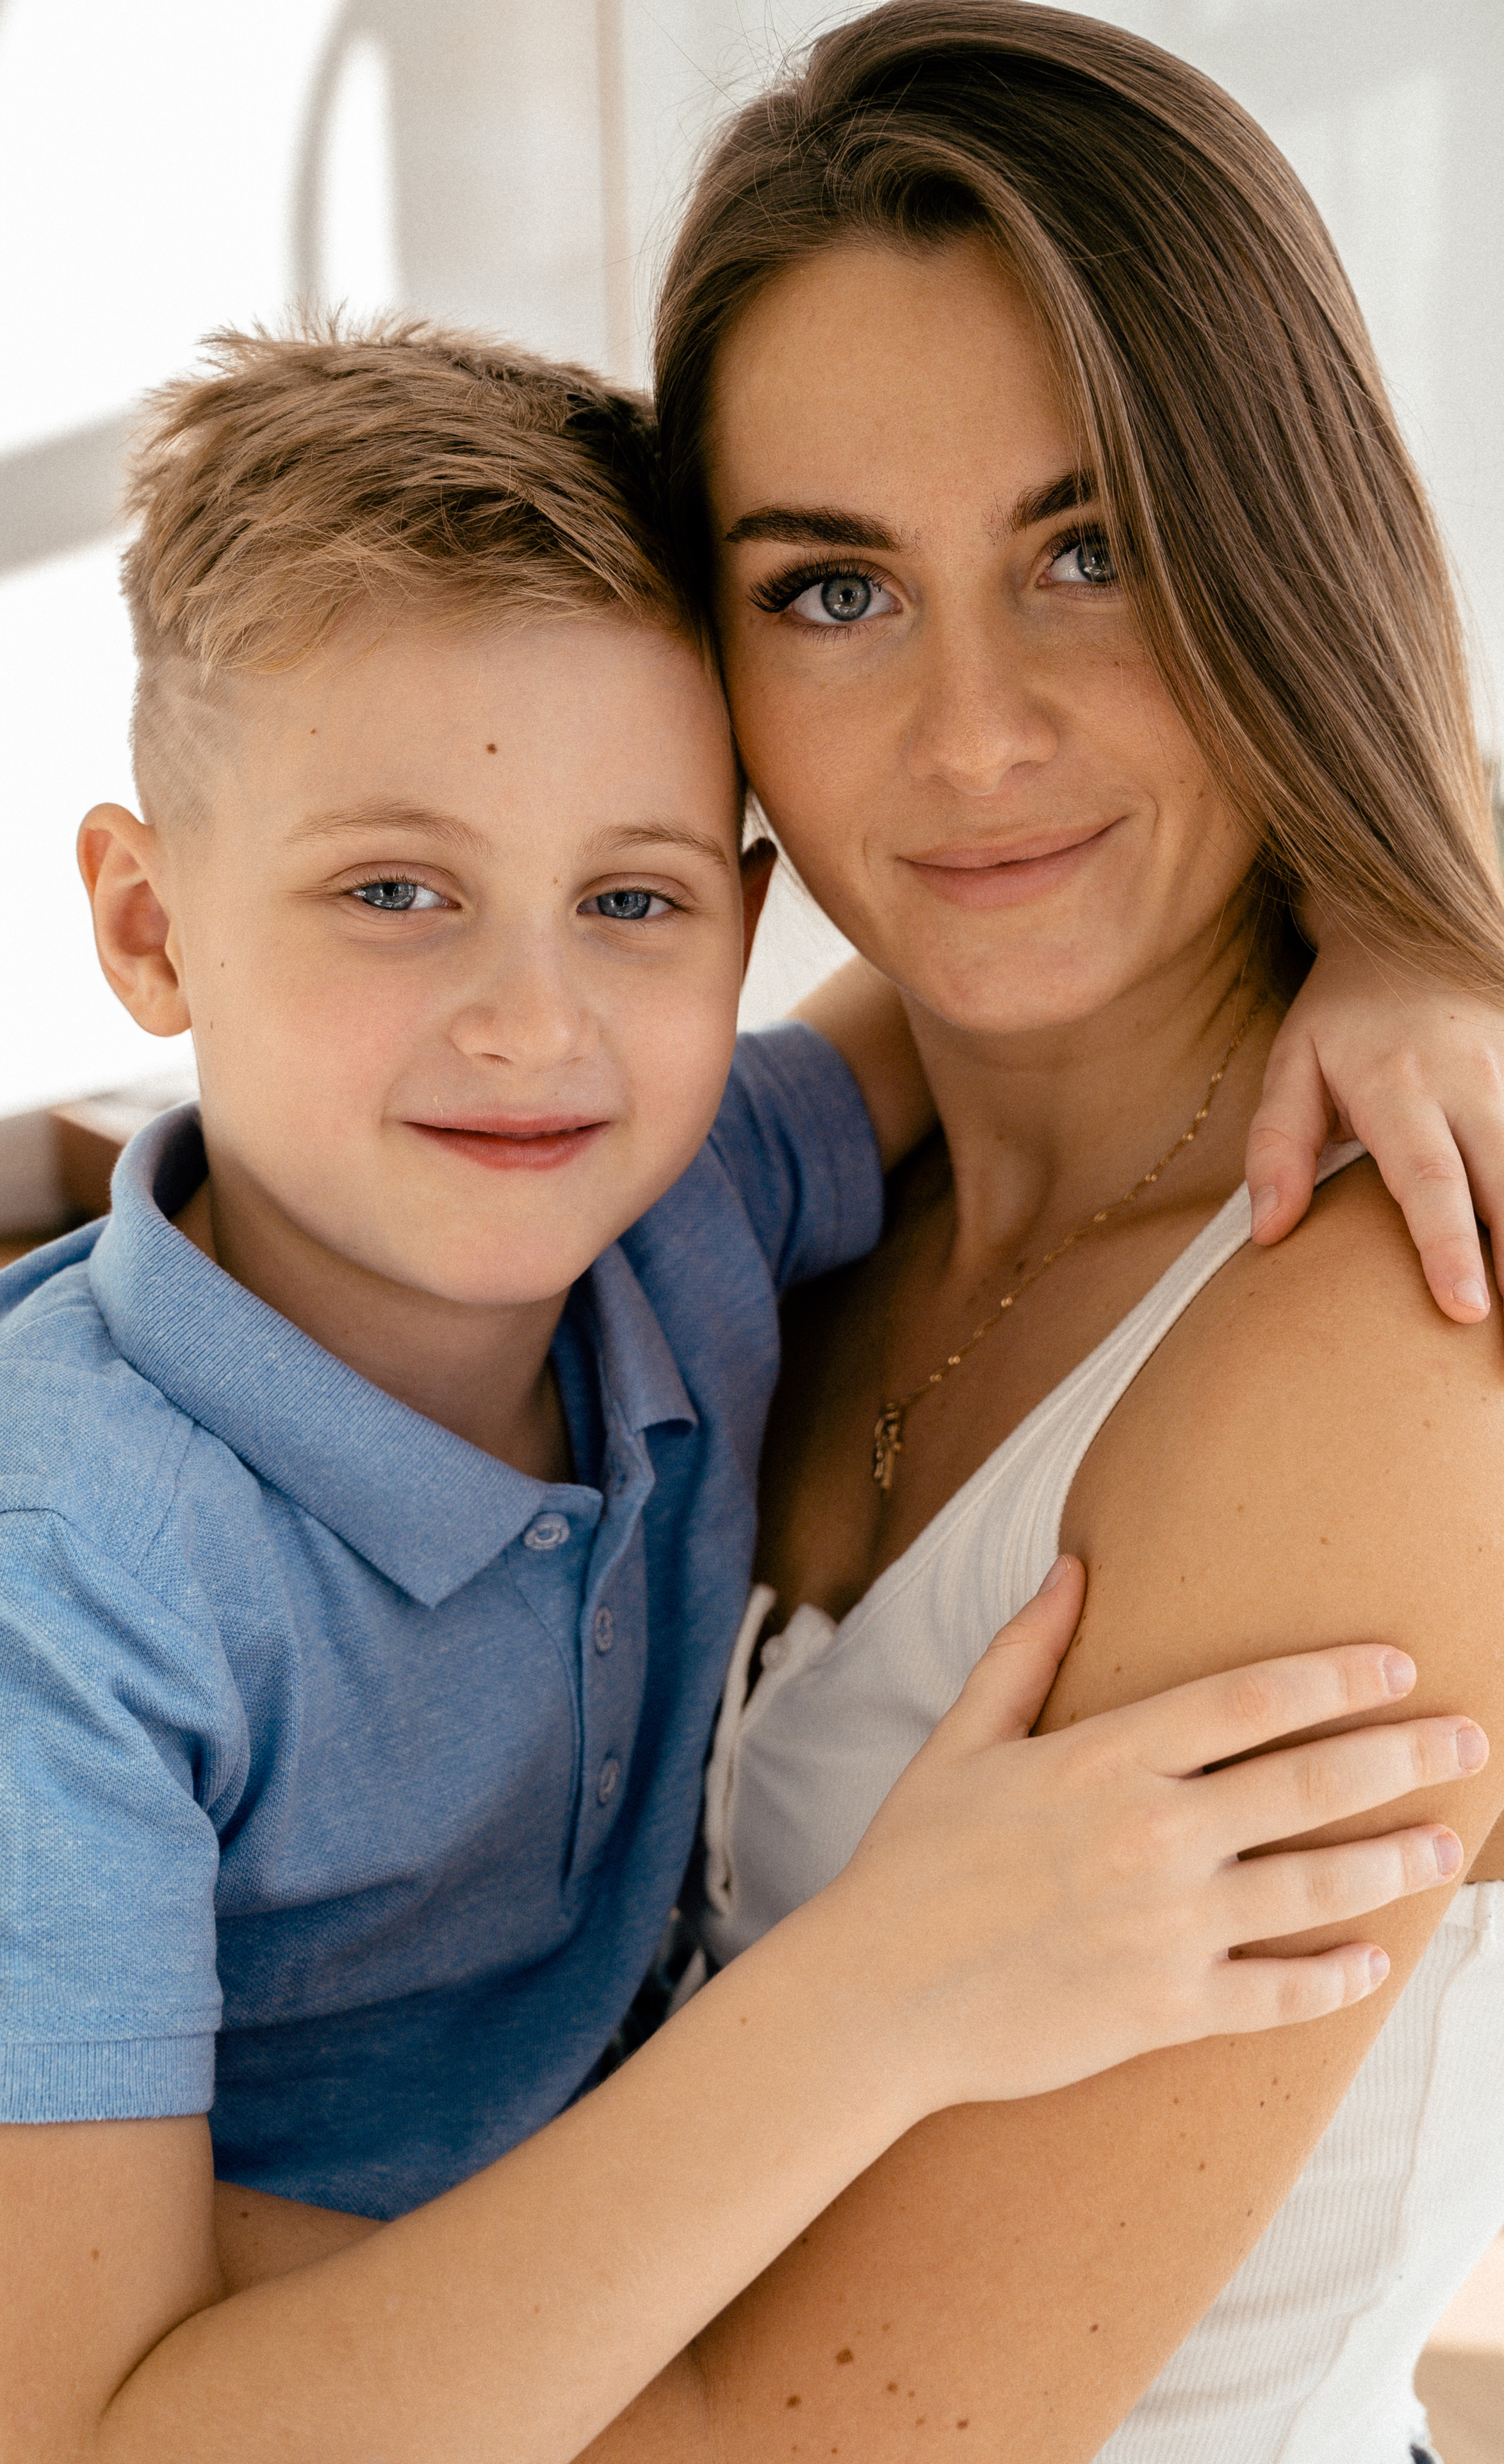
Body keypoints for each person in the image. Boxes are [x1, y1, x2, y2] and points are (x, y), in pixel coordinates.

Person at [0, 320, 1476, 2464]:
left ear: (738, 922)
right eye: (394, 893)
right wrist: (880, 1995)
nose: (532, 1027)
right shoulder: (31, 1569)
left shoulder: (674, 1203)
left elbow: (1007, 967)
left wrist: (1423, 936)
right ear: (152, 928)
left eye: (630, 900)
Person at [566, 4, 1504, 2458]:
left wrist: (108, 2293)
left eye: (1091, 551)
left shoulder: (1389, 1324)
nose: (970, 738)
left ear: (1271, 549)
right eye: (835, 591)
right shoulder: (795, 1185)